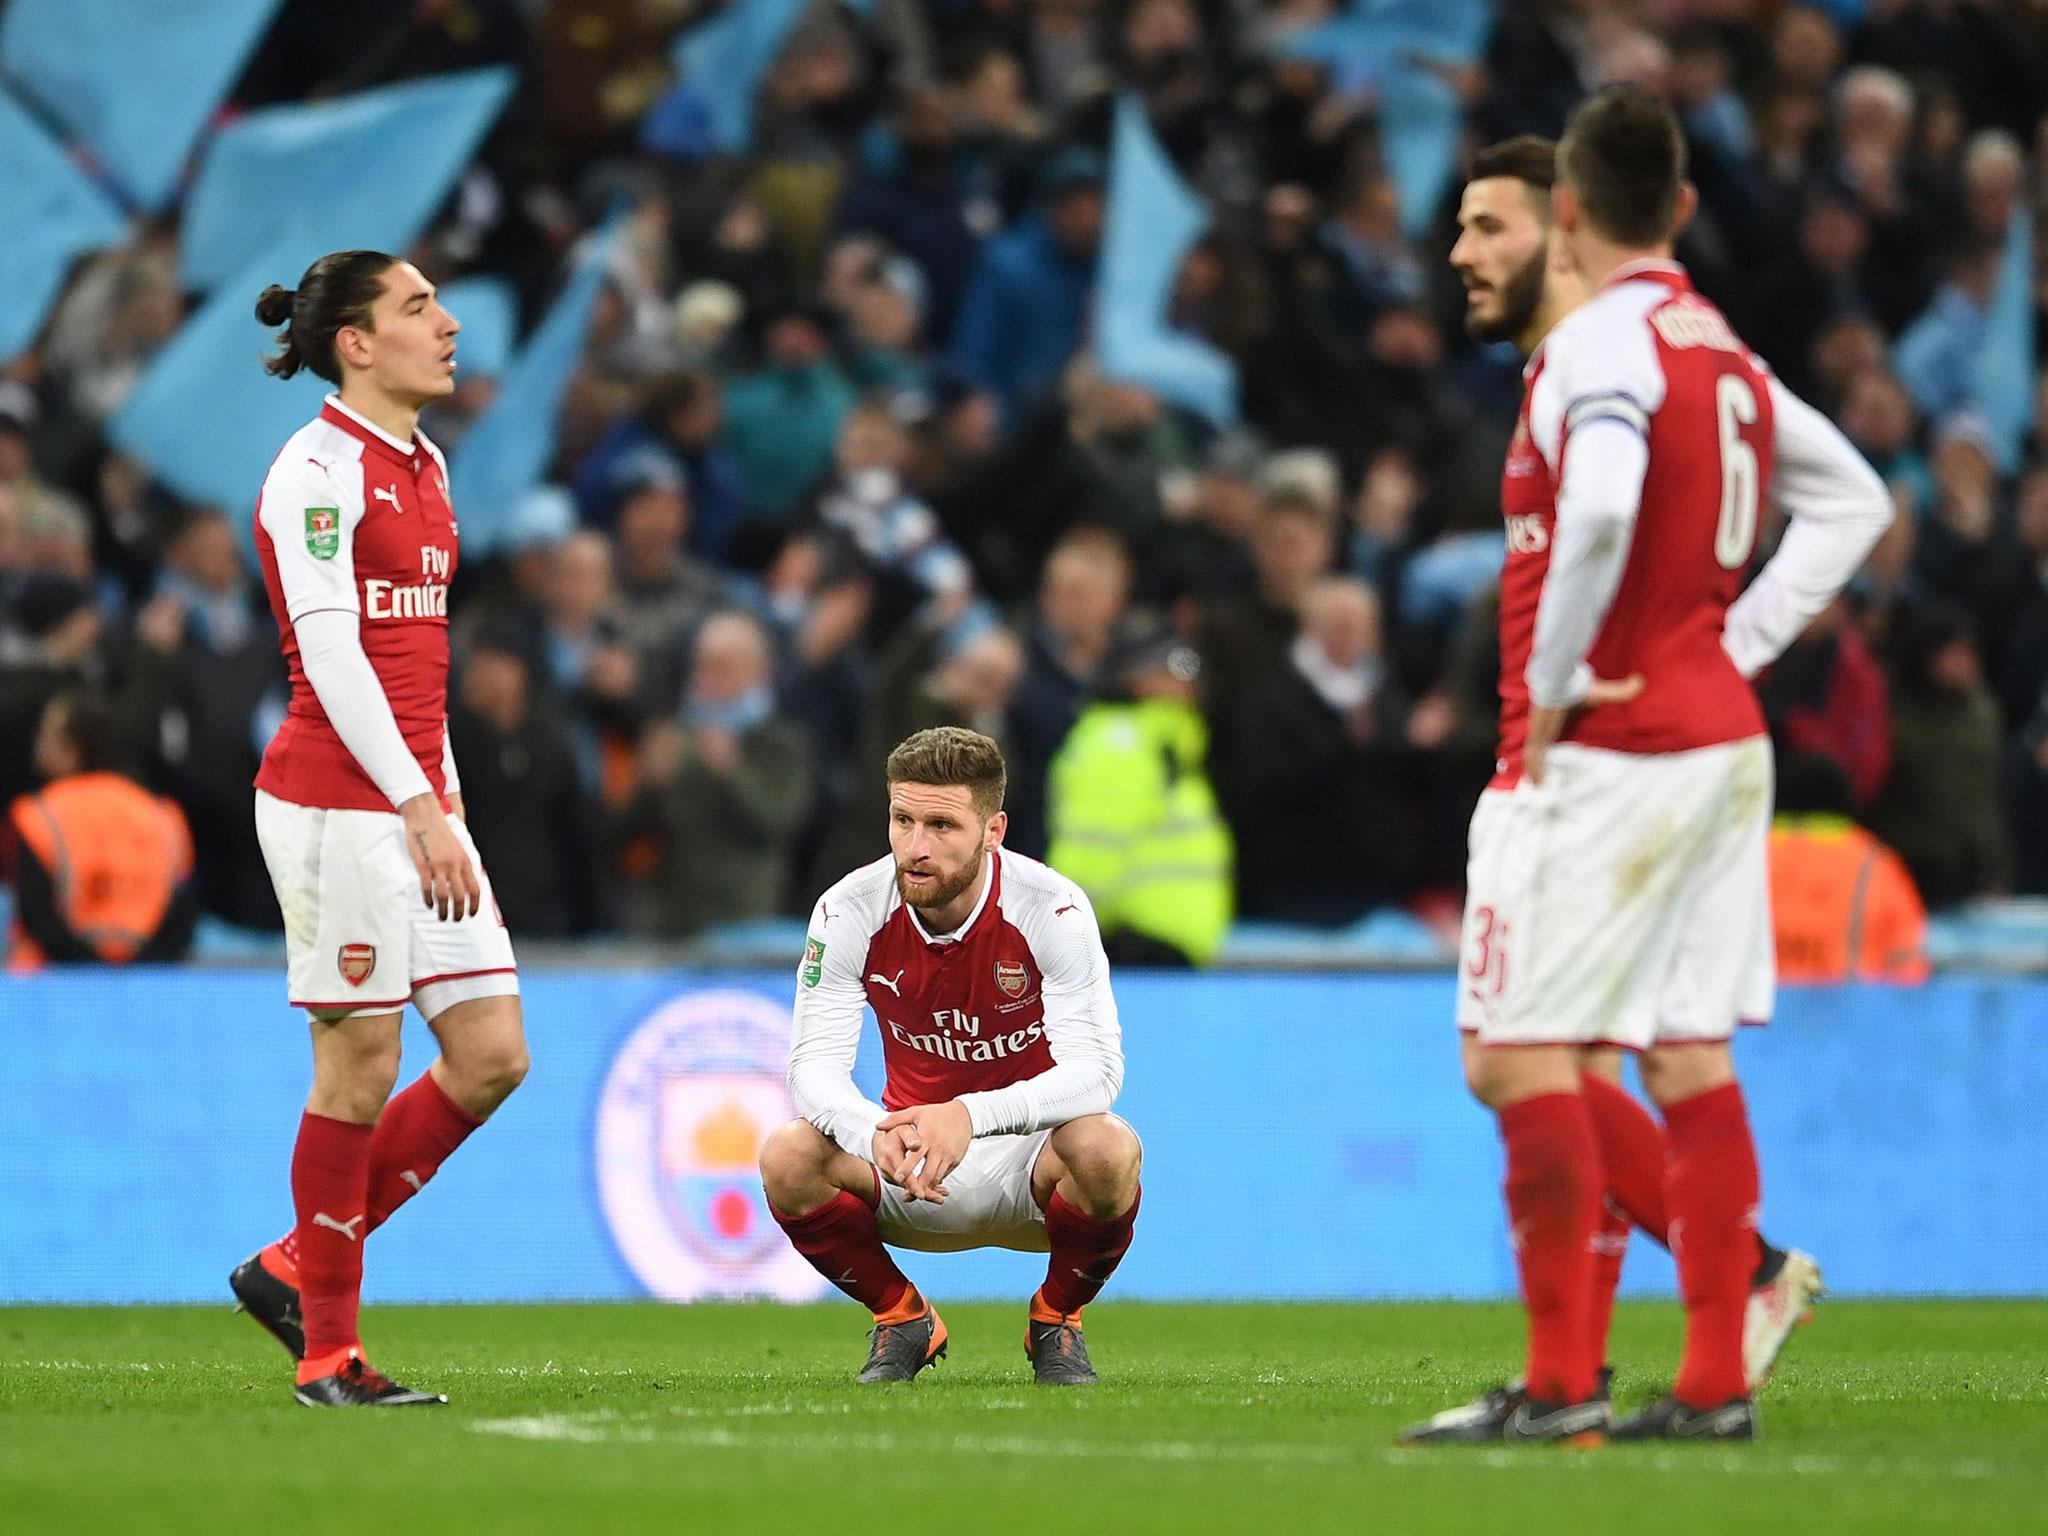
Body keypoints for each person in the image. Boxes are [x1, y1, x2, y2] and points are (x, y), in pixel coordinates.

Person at [1404, 101, 1889, 1448]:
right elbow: (1857, 499)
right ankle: (1719, 1367)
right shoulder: (1715, 344)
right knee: (1680, 1054)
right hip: (1722, 737)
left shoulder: (1599, 351)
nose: (1461, 249)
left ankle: (1564, 1386)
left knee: (1516, 1056)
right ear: (1681, 208)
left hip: (1607, 753)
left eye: (1487, 222)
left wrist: (1559, 690)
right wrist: (1727, 645)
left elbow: (1606, 505)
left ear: (1569, 220)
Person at [226, 250, 531, 1408]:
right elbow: (333, 654)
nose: (448, 324)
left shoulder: (426, 463)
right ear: (355, 343)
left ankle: (296, 1264)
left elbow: (418, 668)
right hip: (333, 805)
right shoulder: (313, 471)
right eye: (418, 308)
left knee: (492, 1051)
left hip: (414, 802)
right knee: (358, 1066)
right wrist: (412, 804)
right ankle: (329, 1355)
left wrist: (439, 802)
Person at [759, 726, 1141, 1385]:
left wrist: (967, 1115)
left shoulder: (1051, 909)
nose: (915, 847)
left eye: (941, 825)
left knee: (1107, 1148)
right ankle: (901, 1317)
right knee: (787, 1155)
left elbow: (1098, 1074)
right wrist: (866, 1133)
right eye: (902, 820)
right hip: (910, 1164)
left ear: (993, 831)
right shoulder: (848, 909)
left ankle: (1056, 1319)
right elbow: (812, 1069)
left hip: (1032, 1168)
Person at [4, 690, 195, 969]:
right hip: (145, 983)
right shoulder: (163, 815)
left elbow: (37, 917)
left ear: (72, 750)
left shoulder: (39, 815)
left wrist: (93, 971)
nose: (37, 744)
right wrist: (128, 972)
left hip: (50, 985)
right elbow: (183, 912)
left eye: (46, 734)